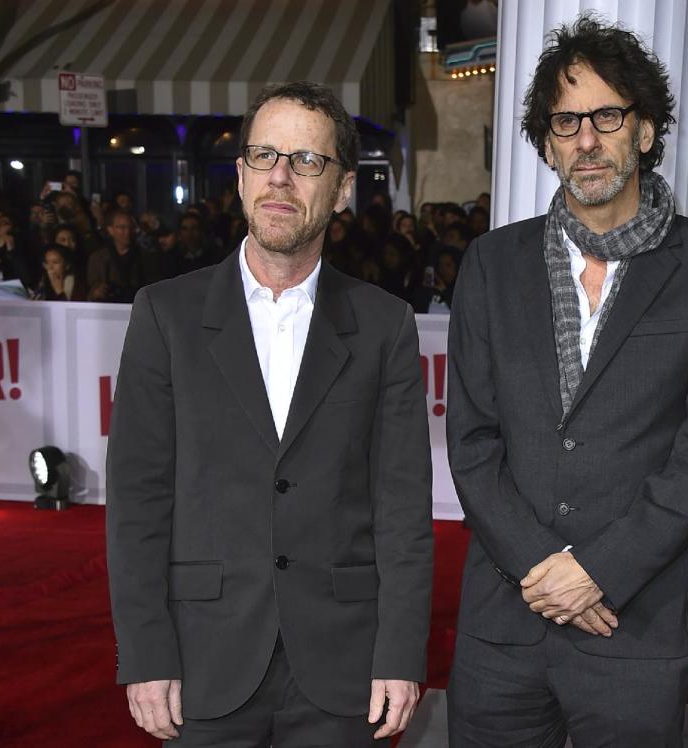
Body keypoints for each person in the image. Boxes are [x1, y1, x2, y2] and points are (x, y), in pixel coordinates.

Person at [445, 16, 688, 747]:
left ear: (645, 131)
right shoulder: (491, 266)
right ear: (547, 142)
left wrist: (599, 571)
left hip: (635, 627)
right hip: (504, 626)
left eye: (607, 116)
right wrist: (544, 569)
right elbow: (472, 440)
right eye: (565, 121)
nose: (586, 139)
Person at [106, 81, 434, 747]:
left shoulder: (384, 326)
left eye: (307, 161)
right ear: (240, 174)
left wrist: (400, 652)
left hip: (343, 666)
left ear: (342, 188)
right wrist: (145, 653)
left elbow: (402, 505)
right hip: (203, 661)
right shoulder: (165, 315)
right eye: (264, 156)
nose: (281, 177)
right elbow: (137, 500)